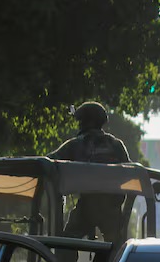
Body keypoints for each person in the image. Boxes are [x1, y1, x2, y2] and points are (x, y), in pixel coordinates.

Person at [49, 101, 132, 249]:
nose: (79, 125)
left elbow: (47, 161)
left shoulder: (76, 144)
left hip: (87, 207)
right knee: (117, 250)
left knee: (66, 244)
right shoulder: (116, 145)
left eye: (81, 121)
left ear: (87, 122)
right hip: (112, 208)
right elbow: (130, 173)